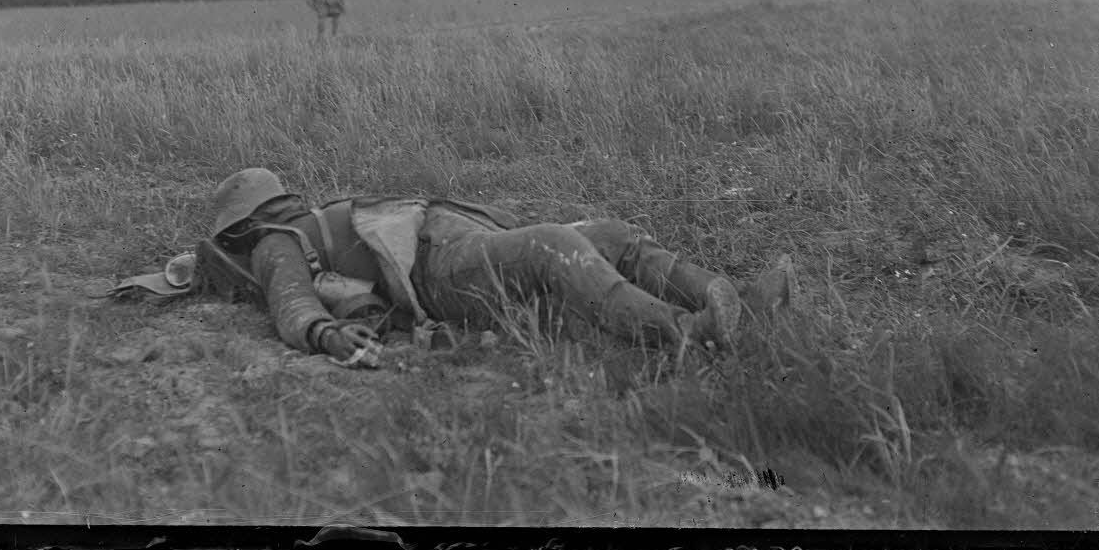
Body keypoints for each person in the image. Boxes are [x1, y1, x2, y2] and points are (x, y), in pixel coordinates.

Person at [160, 169, 798, 368]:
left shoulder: (299, 226)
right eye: (270, 204)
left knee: (609, 234)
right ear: (248, 225)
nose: (282, 205)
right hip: (438, 270)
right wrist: (328, 335)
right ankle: (689, 332)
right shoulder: (276, 246)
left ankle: (734, 299)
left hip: (452, 241)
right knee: (553, 244)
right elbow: (292, 306)